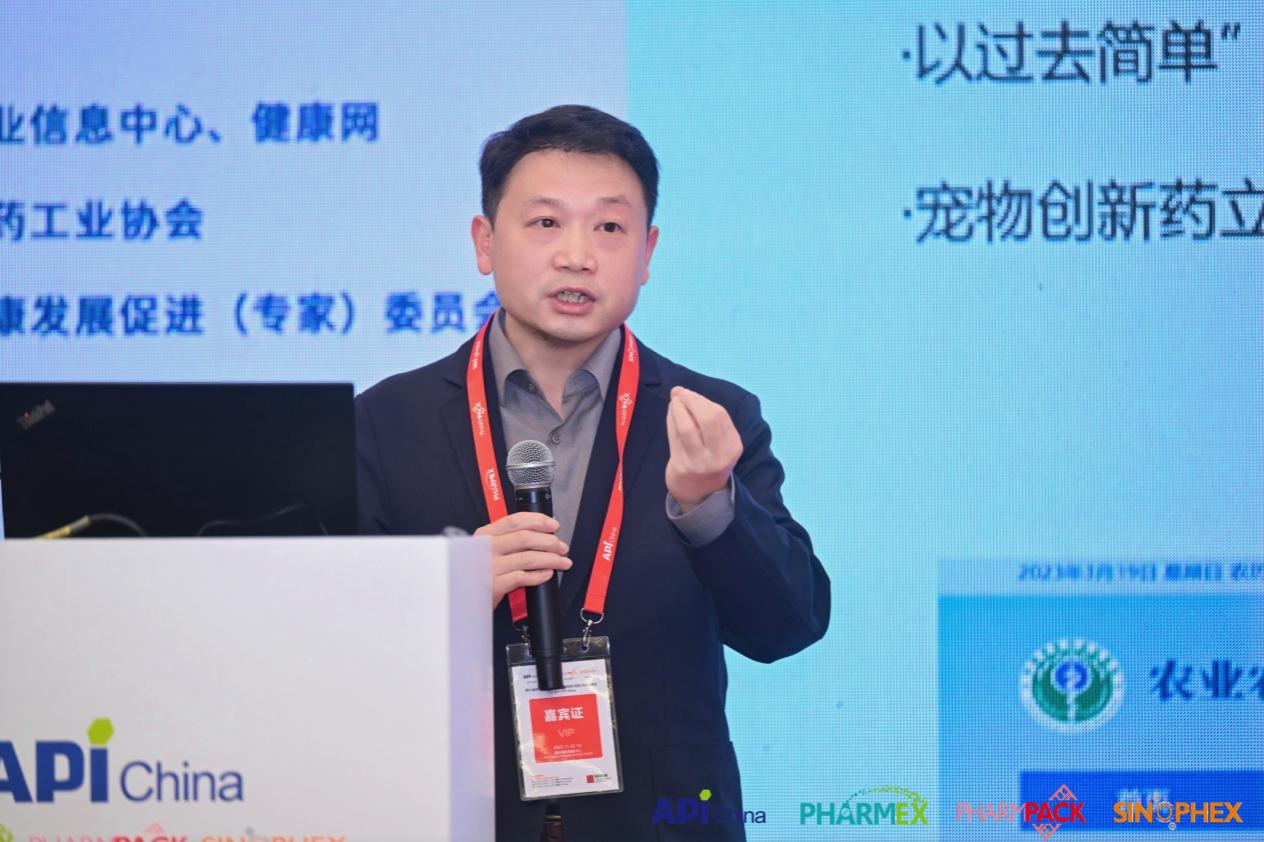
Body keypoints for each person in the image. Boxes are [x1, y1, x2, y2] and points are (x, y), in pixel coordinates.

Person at [356, 104, 830, 841]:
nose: (577, 255)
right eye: (545, 223)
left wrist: (710, 505)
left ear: (647, 251)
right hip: (451, 816)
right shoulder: (386, 423)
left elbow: (787, 627)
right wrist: (443, 595)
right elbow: (326, 655)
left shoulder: (710, 417)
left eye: (609, 227)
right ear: (485, 242)